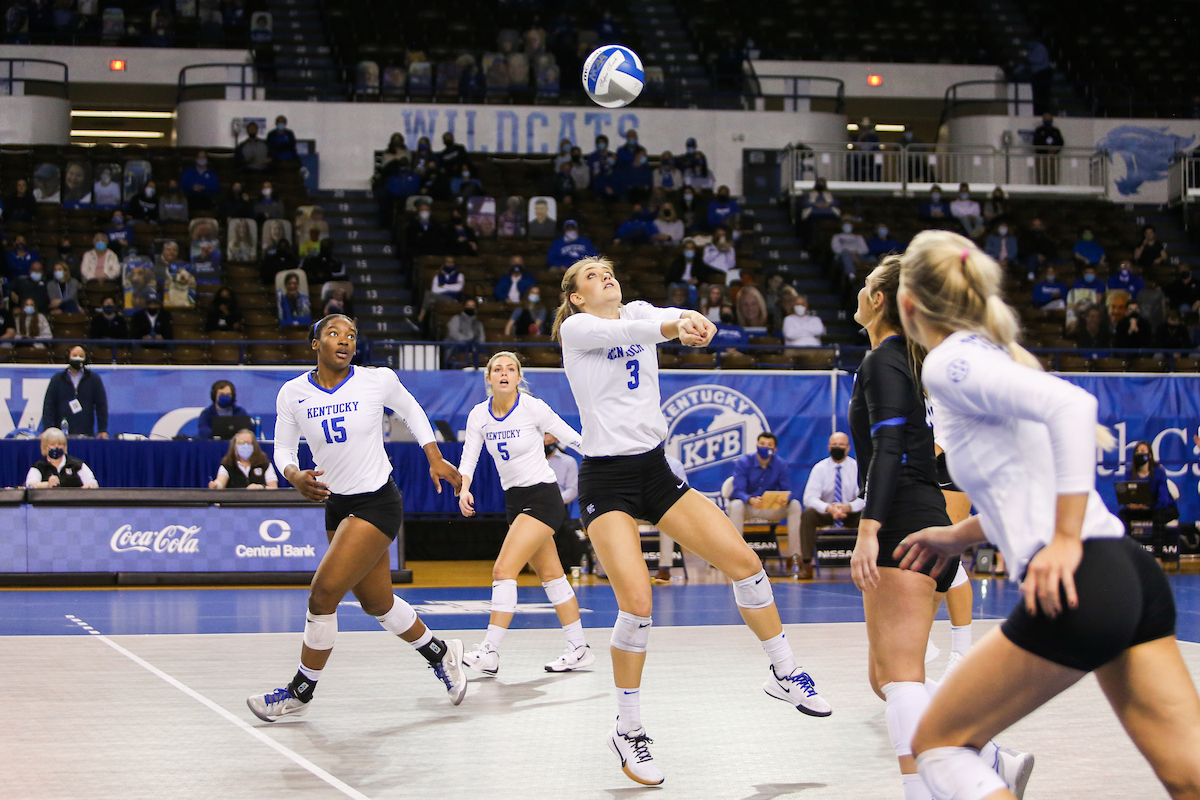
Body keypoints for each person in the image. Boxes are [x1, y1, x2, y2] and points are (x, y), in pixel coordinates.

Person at [892, 230, 1200, 800]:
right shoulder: (990, 358)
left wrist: (1062, 541)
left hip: (1080, 577)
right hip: (1127, 574)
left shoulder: (947, 363)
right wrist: (959, 535)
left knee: (938, 744)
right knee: (1191, 777)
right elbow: (1023, 488)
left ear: (907, 304)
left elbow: (1072, 405)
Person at [553, 256, 831, 786]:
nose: (606, 276)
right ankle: (627, 729)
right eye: (592, 275)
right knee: (637, 604)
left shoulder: (636, 309)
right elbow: (639, 331)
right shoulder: (577, 329)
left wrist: (692, 321)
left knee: (747, 565)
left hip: (655, 471)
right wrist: (674, 328)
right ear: (577, 297)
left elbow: (664, 316)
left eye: (608, 270)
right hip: (606, 479)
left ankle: (784, 670)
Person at [848, 253, 1032, 800]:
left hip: (903, 519)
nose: (858, 293)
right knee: (884, 677)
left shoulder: (885, 360)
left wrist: (868, 528)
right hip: (920, 513)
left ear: (879, 300)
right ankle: (993, 758)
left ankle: (924, 790)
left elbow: (889, 450)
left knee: (900, 679)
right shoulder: (911, 362)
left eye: (865, 285)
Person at [247, 314, 468, 722]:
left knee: (322, 594)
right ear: (315, 344)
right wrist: (293, 475)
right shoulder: (293, 393)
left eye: (351, 335)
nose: (344, 340)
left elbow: (412, 409)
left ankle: (300, 691)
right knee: (378, 603)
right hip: (336, 503)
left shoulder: (375, 380)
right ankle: (441, 652)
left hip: (377, 503)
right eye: (334, 333)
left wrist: (435, 456)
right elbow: (282, 450)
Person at [457, 352, 595, 675]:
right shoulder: (479, 415)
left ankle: (489, 652)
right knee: (553, 577)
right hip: (514, 501)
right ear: (489, 378)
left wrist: (605, 456)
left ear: (519, 377)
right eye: (497, 369)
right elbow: (469, 458)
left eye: (510, 369)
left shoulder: (533, 407)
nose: (504, 373)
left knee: (503, 570)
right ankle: (579, 648)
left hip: (543, 497)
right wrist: (464, 488)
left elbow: (572, 437)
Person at [727, 430, 802, 564]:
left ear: (774, 449)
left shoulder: (780, 464)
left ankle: (795, 557)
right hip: (748, 507)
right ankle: (735, 556)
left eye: (769, 445)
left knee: (795, 505)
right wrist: (750, 499)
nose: (765, 447)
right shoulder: (744, 462)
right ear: (757, 446)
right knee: (736, 505)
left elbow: (787, 490)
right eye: (762, 444)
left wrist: (786, 498)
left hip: (769, 507)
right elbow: (738, 491)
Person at [798, 432, 864, 579]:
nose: (837, 447)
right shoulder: (820, 468)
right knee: (808, 514)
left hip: (850, 514)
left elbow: (864, 497)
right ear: (829, 447)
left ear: (848, 448)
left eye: (841, 445)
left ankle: (869, 562)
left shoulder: (857, 467)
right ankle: (807, 564)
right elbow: (809, 498)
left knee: (868, 515)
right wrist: (828, 508)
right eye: (834, 445)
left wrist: (848, 507)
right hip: (827, 513)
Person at [1117, 440, 1180, 546]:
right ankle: (1127, 550)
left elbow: (1163, 500)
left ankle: (1158, 552)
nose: (1139, 454)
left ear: (1150, 455)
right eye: (1137, 452)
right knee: (1123, 514)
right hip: (1140, 510)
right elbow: (1128, 495)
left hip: (1160, 509)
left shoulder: (1159, 472)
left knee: (1158, 514)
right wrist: (1130, 505)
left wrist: (1149, 507)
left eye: (1143, 451)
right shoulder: (1129, 473)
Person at [41, 346, 108, 438]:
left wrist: (102, 430)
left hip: (86, 433)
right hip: (60, 435)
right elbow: (48, 406)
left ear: (86, 358)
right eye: (74, 355)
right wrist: (47, 429)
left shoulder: (94, 379)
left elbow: (102, 406)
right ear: (68, 357)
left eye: (81, 356)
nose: (77, 358)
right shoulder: (57, 379)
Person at [25, 427, 98, 488]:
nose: (56, 447)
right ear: (44, 447)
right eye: (52, 444)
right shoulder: (39, 466)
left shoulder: (77, 465)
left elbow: (93, 483)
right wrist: (47, 484)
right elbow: (30, 485)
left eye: (60, 444)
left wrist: (89, 486)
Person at [209, 429, 278, 488]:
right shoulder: (228, 465)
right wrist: (216, 485)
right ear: (235, 446)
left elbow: (274, 488)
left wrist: (261, 487)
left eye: (248, 443)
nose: (245, 446)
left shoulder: (265, 464)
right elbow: (221, 481)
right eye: (241, 443)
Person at [1032, 112, 1064, 185]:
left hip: (1053, 157)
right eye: (1046, 120)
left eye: (1049, 120)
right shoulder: (1039, 130)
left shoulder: (1055, 131)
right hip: (1042, 157)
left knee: (1053, 175)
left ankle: (1053, 189)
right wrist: (1046, 150)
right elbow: (1035, 143)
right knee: (1042, 175)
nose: (1047, 121)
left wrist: (1055, 150)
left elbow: (1061, 143)